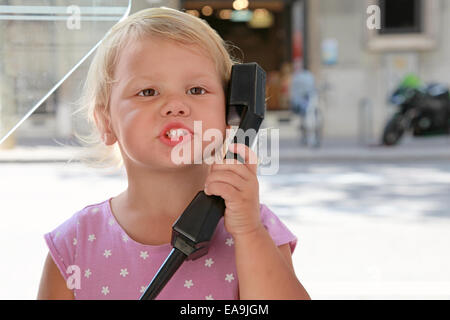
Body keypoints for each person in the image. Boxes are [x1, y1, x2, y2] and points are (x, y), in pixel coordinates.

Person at [37, 7, 310, 300]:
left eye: (195, 89)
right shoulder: (74, 245)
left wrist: (249, 233)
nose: (175, 105)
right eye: (148, 92)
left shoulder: (256, 228)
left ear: (233, 113)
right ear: (106, 121)